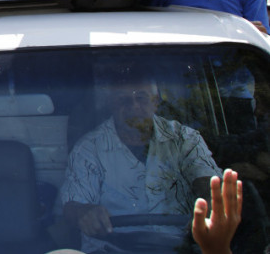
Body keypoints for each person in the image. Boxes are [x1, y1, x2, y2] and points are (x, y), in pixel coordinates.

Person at [58, 72, 220, 253]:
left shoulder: (185, 139)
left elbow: (207, 181)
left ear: (156, 102)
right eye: (123, 100)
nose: (133, 106)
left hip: (182, 247)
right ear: (111, 105)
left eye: (141, 98)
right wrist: (83, 212)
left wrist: (209, 197)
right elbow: (72, 205)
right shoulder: (89, 148)